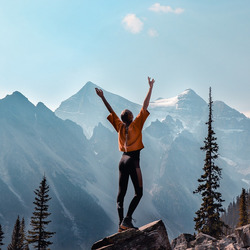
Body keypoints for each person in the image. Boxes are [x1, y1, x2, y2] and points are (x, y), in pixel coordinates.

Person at [95, 77, 155, 232]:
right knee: (139, 193)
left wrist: (102, 97)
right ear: (131, 117)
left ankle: (120, 225)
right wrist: (150, 87)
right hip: (133, 161)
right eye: (131, 113)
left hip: (122, 161)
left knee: (121, 194)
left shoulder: (119, 127)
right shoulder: (136, 124)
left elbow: (111, 111)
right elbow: (145, 105)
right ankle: (127, 220)